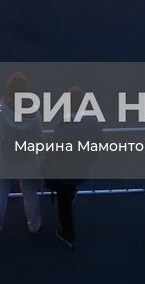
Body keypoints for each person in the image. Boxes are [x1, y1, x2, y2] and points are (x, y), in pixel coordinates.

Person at [0, 72, 42, 237]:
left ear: (9, 91)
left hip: (3, 160)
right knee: (29, 191)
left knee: (0, 192)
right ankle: (34, 225)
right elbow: (39, 135)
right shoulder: (34, 113)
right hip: (27, 160)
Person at [47, 87, 103, 247]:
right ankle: (72, 191)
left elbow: (55, 151)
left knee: (63, 202)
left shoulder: (62, 126)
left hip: (65, 173)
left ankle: (68, 234)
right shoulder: (94, 124)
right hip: (84, 170)